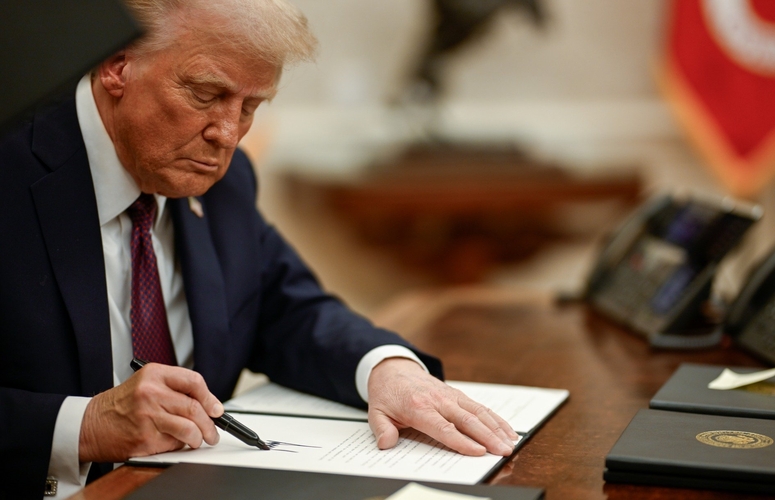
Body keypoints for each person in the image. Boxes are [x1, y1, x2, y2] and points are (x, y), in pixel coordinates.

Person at [0, 0, 517, 498]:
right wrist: (84, 426)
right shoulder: (13, 170)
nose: (227, 135)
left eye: (250, 106)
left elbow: (289, 309)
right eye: (204, 94)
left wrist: (389, 371)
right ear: (117, 67)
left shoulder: (223, 182)